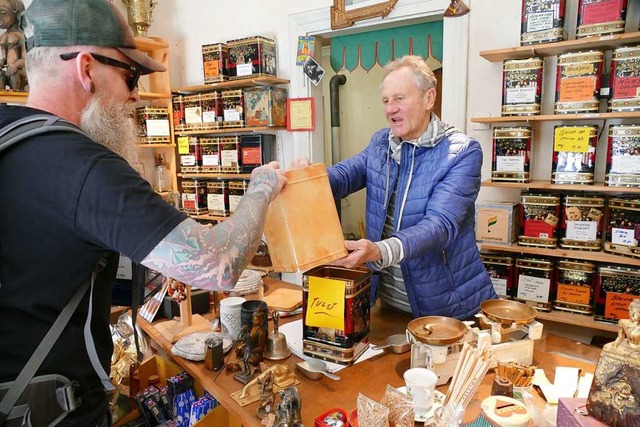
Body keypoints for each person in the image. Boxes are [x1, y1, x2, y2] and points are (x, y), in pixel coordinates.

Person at [0, 1, 286, 426]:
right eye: (129, 75)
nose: (135, 94)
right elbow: (220, 264)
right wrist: (261, 187)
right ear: (85, 68)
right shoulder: (83, 167)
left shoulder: (10, 134)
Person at [294, 55, 496, 319]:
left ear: (428, 98)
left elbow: (440, 226)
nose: (390, 109)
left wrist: (379, 250)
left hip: (448, 307)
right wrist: (308, 179)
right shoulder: (381, 143)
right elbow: (343, 176)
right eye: (386, 101)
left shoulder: (461, 151)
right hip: (389, 302)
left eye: (399, 98)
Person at [0, 0, 27, 91]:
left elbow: (26, 59)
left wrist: (16, 65)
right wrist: (1, 62)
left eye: (3, 13)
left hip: (19, 72)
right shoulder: (2, 37)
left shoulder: (21, 36)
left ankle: (17, 91)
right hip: (9, 71)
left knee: (14, 75)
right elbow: (4, 58)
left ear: (17, 13)